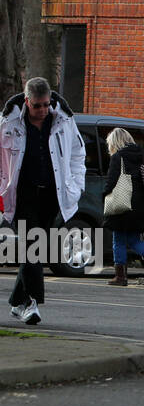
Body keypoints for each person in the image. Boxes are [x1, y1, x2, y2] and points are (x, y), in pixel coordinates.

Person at [0, 77, 86, 326]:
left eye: (46, 104)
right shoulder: (8, 122)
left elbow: (77, 154)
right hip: (21, 194)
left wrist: (75, 185)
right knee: (33, 246)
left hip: (52, 194)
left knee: (37, 248)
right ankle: (32, 303)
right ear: (27, 102)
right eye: (37, 105)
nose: (42, 110)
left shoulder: (63, 121)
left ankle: (18, 302)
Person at [102, 128, 144, 286]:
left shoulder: (118, 157)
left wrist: (105, 195)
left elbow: (111, 182)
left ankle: (121, 276)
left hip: (123, 203)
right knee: (132, 238)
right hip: (141, 205)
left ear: (115, 142)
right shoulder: (141, 156)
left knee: (119, 239)